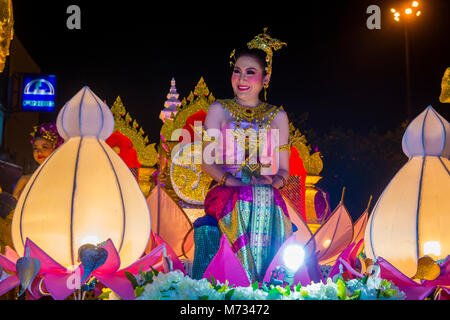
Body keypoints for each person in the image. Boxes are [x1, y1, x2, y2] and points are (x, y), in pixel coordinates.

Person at [192, 29, 295, 283]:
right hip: (226, 191)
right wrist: (236, 182)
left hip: (265, 191)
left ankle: (269, 284)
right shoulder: (220, 109)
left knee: (273, 206)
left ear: (266, 78)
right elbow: (207, 161)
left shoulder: (277, 116)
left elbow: (284, 170)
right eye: (237, 70)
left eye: (250, 72)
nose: (241, 78)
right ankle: (240, 282)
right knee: (243, 199)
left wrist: (273, 183)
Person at [0, 123, 63, 254]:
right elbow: (13, 209)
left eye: (44, 147)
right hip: (25, 233)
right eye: (35, 148)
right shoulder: (25, 180)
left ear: (56, 149)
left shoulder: (62, 178)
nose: (39, 152)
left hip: (53, 235)